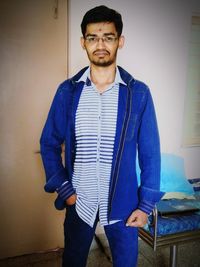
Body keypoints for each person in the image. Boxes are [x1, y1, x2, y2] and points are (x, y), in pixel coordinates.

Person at [40, 5, 164, 267]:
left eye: (108, 37)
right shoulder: (68, 92)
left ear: (120, 41)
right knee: (72, 261)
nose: (100, 44)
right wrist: (65, 190)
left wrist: (144, 207)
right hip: (79, 201)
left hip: (124, 206)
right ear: (83, 42)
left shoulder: (138, 93)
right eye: (93, 37)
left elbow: (151, 153)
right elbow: (49, 142)